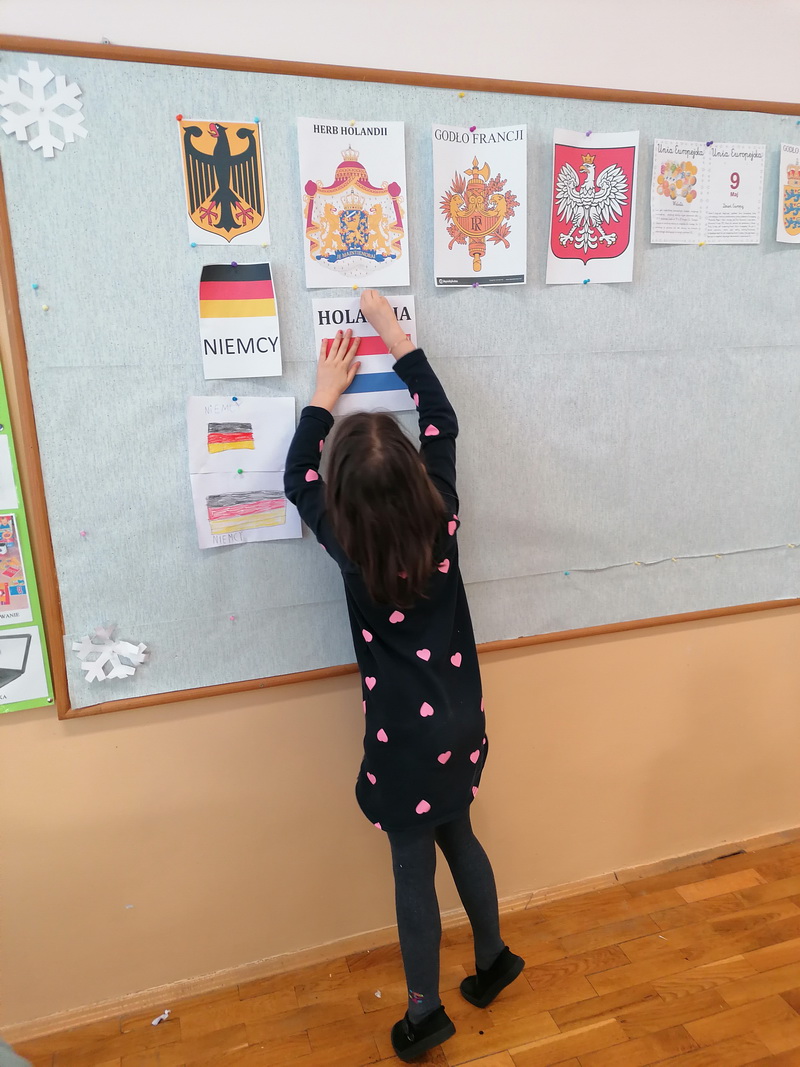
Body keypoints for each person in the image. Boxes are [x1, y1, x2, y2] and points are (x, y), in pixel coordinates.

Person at [285, 289, 524, 1062]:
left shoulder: (347, 545)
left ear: (344, 503)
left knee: (411, 868)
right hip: (461, 723)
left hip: (402, 745)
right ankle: (494, 958)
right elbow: (442, 419)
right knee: (460, 831)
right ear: (420, 479)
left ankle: (424, 1013)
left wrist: (323, 396)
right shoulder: (443, 516)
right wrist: (395, 335)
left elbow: (295, 475)